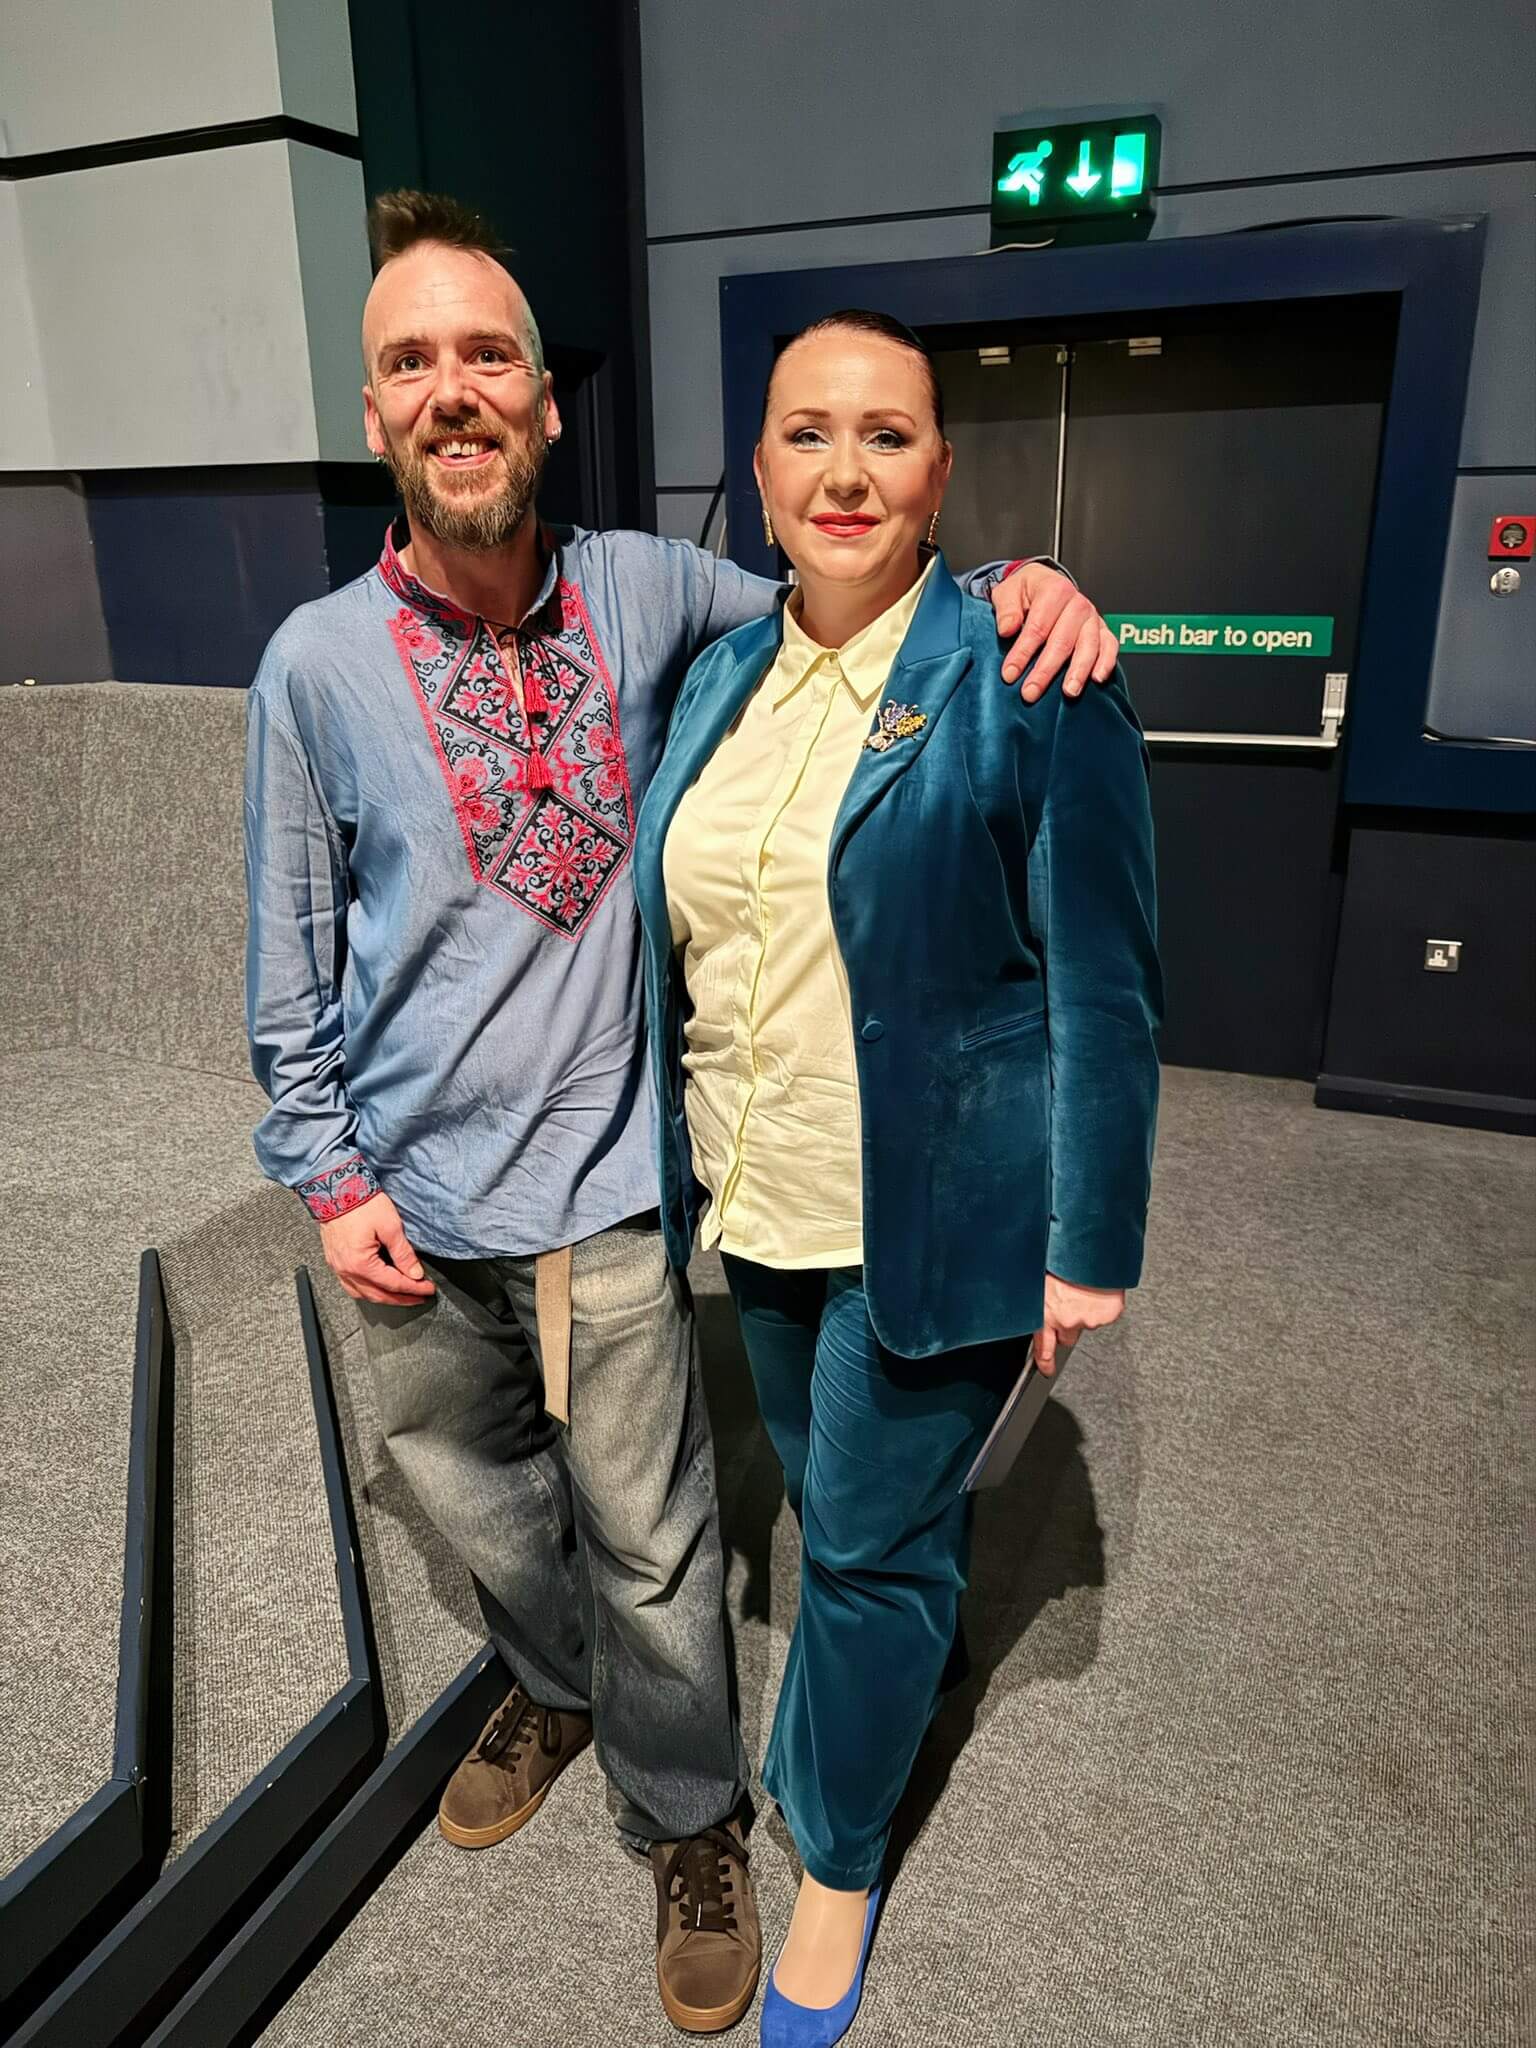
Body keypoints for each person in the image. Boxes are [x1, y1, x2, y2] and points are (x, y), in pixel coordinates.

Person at [244, 191, 1122, 2036]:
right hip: (412, 1195)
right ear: (375, 408)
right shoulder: (316, 665)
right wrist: (324, 1172)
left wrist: (1027, 583)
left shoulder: (654, 594)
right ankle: (551, 1684)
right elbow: (287, 941)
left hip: (614, 1191)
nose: (455, 390)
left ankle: (690, 1813)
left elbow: (872, 597)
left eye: (490, 354)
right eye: (412, 362)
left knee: (660, 1547)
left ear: (547, 400)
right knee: (483, 1506)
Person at [634, 309, 1161, 2045]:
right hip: (755, 1192)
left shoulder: (1029, 671)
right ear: (760, 469)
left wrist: (1088, 1239)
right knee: (839, 1497)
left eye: (886, 436)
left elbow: (1104, 981)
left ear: (940, 474)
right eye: (808, 433)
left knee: (855, 1548)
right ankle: (904, 1637)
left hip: (933, 1209)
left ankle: (840, 1861)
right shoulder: (720, 674)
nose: (844, 472)